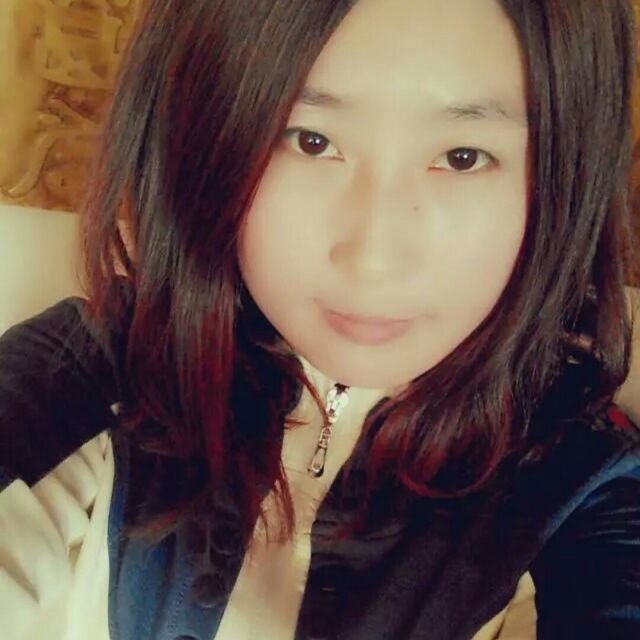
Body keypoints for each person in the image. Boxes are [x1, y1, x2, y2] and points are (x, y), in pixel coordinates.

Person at [1, 0, 640, 638]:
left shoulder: (585, 484)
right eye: (310, 141)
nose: (373, 260)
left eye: (463, 156)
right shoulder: (96, 367)